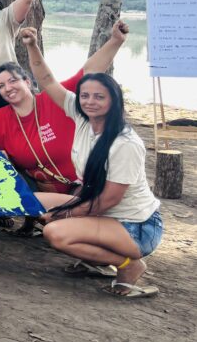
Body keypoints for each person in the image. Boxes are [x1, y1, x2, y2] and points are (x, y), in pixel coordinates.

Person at [23, 28, 163, 299]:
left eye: (99, 97)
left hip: (135, 225)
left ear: (114, 101)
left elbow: (109, 200)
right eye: (85, 95)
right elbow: (47, 80)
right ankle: (95, 259)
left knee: (55, 233)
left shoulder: (125, 143)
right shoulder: (80, 115)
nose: (90, 102)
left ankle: (128, 265)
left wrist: (64, 214)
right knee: (30, 201)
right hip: (101, 212)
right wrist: (32, 46)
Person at [0, 20, 131, 194]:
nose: (8, 88)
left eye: (13, 80)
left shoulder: (55, 98)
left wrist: (116, 41)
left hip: (78, 186)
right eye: (1, 86)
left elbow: (88, 72)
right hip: (35, 190)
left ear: (27, 81)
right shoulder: (0, 118)